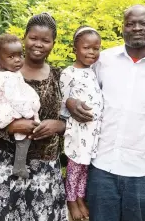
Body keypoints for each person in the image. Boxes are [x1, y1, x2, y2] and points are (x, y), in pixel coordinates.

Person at [66, 4, 145, 221]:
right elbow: (78, 87)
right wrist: (70, 102)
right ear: (122, 28)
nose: (137, 28)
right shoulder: (103, 61)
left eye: (143, 23)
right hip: (101, 168)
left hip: (142, 173)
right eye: (130, 23)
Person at [0, 13, 68, 221]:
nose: (38, 44)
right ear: (24, 38)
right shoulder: (0, 76)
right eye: (33, 38)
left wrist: (60, 126)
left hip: (45, 172)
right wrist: (10, 127)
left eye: (45, 40)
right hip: (7, 167)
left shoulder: (60, 76)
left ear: (53, 44)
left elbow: (76, 122)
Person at [0, 34, 41, 179]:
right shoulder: (10, 78)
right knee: (25, 131)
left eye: (20, 55)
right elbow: (15, 99)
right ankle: (19, 165)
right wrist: (28, 114)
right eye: (11, 57)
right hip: (8, 108)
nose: (18, 60)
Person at [60, 26, 103, 220]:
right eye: (87, 48)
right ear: (75, 49)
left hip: (93, 132)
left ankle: (79, 197)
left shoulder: (94, 71)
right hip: (78, 130)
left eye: (96, 48)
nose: (92, 52)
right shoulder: (69, 72)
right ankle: (71, 200)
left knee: (85, 167)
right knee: (75, 166)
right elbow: (62, 100)